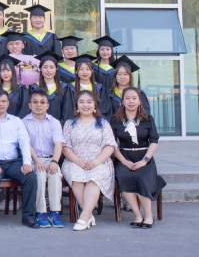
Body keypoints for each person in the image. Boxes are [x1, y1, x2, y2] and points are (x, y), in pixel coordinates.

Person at [0, 88, 38, 229]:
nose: (1, 104)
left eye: (3, 101)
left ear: (8, 103)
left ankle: (28, 216)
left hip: (13, 162)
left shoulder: (16, 121)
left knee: (30, 177)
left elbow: (24, 143)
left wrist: (27, 163)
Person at [111, 87, 166, 229]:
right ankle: (137, 215)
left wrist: (145, 160)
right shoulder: (116, 120)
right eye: (127, 98)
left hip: (144, 156)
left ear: (139, 101)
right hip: (124, 157)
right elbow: (112, 144)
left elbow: (154, 141)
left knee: (141, 177)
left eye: (134, 98)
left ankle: (148, 215)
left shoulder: (147, 119)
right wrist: (123, 161)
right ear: (122, 101)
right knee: (124, 177)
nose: (131, 101)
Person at [61, 90, 117, 231]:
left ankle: (84, 216)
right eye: (81, 102)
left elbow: (110, 146)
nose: (85, 105)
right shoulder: (69, 124)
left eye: (89, 102)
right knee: (76, 177)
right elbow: (65, 147)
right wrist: (77, 160)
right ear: (77, 106)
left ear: (95, 105)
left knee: (94, 178)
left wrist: (97, 161)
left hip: (99, 161)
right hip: (74, 161)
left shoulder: (103, 124)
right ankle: (88, 215)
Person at [22, 88, 66, 228]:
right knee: (39, 175)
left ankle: (54, 212)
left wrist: (54, 161)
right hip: (32, 159)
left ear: (47, 105)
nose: (38, 105)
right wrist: (36, 161)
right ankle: (40, 212)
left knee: (55, 174)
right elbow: (26, 145)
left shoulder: (54, 122)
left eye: (42, 102)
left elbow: (58, 143)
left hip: (51, 158)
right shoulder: (23, 122)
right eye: (35, 102)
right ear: (30, 105)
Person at [30, 51, 74, 124]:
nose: (48, 70)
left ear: (56, 69)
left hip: (59, 128)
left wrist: (60, 127)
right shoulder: (33, 88)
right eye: (45, 67)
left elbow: (67, 111)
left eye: (52, 67)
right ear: (40, 69)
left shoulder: (65, 88)